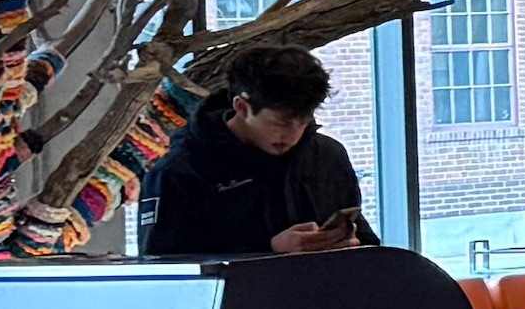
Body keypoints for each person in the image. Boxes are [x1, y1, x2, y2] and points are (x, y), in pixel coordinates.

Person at [140, 43, 370, 258]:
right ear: (242, 107)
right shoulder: (178, 173)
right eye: (280, 123)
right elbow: (165, 270)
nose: (291, 135)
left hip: (327, 293)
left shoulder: (328, 156)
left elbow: (366, 241)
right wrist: (269, 250)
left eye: (302, 122)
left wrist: (349, 245)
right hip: (235, 298)